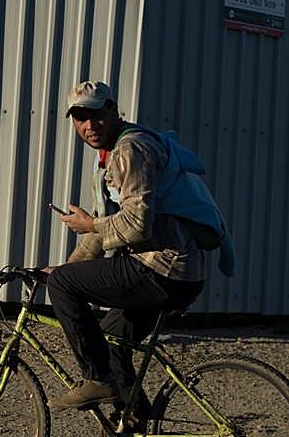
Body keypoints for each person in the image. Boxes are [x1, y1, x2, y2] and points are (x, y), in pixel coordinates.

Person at [45, 81, 206, 416]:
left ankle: (96, 380)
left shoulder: (130, 150)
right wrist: (66, 267)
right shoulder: (111, 155)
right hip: (177, 270)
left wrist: (86, 233)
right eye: (80, 118)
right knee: (111, 343)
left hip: (161, 267)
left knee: (64, 287)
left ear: (113, 110)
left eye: (96, 115)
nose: (89, 126)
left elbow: (135, 225)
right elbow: (107, 225)